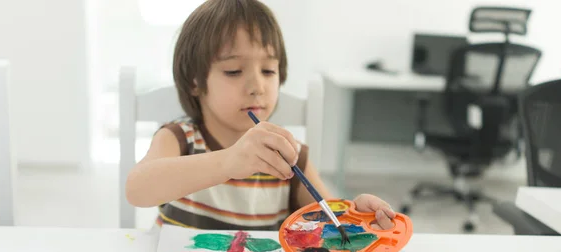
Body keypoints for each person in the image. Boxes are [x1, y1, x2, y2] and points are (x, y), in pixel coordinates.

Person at [125, 0, 395, 231]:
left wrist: (359, 218)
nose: (257, 87)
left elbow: (334, 223)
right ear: (195, 81)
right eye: (233, 71)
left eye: (268, 71)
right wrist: (229, 161)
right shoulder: (180, 138)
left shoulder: (289, 156)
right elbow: (137, 189)